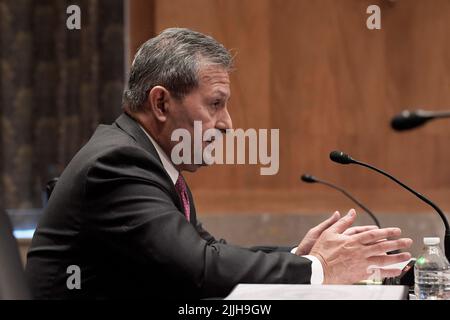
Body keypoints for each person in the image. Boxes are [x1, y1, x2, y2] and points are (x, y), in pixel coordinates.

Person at [25, 28, 412, 299]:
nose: (228, 124)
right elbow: (199, 270)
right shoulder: (118, 163)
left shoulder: (147, 157)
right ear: (161, 103)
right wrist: (320, 268)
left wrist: (298, 256)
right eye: (215, 104)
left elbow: (206, 252)